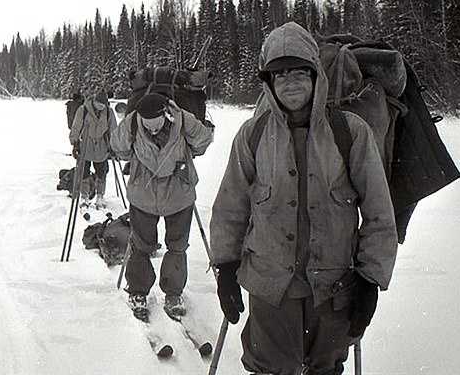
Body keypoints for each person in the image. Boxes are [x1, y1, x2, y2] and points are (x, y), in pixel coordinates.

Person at [209, 22, 398, 375]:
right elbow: (230, 207)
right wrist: (226, 268)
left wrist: (370, 280)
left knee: (325, 369)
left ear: (316, 76)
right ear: (269, 83)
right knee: (269, 368)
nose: (291, 82)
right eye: (280, 75)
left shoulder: (350, 131)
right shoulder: (253, 135)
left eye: (299, 72)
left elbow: (378, 212)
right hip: (270, 289)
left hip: (333, 288)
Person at [110, 93, 213, 320]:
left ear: (166, 114)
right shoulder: (134, 123)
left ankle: (173, 293)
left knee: (177, 246)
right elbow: (118, 146)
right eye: (148, 125)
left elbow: (204, 140)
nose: (153, 130)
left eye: (156, 125)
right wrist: (130, 129)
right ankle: (138, 291)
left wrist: (186, 126)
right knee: (141, 245)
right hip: (143, 197)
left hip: (178, 195)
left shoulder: (182, 120)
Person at [69, 91, 117, 209]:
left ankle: (100, 196)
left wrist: (114, 146)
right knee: (84, 172)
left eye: (103, 105)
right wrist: (75, 143)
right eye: (99, 104)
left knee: (102, 172)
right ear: (95, 101)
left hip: (102, 146)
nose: (101, 107)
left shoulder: (109, 112)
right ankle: (84, 195)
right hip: (86, 145)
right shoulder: (83, 110)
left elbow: (113, 129)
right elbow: (76, 127)